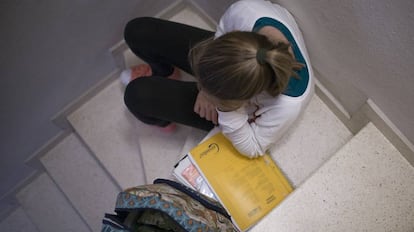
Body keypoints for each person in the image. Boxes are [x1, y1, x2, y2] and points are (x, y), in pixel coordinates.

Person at [122, 0, 314, 158]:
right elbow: (221, 32)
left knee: (136, 95)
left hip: (238, 109)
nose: (200, 87)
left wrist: (227, 111)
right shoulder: (246, 10)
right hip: (231, 69)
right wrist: (206, 92)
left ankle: (164, 121)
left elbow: (254, 148)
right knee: (137, 31)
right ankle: (166, 72)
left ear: (241, 101)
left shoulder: (288, 105)